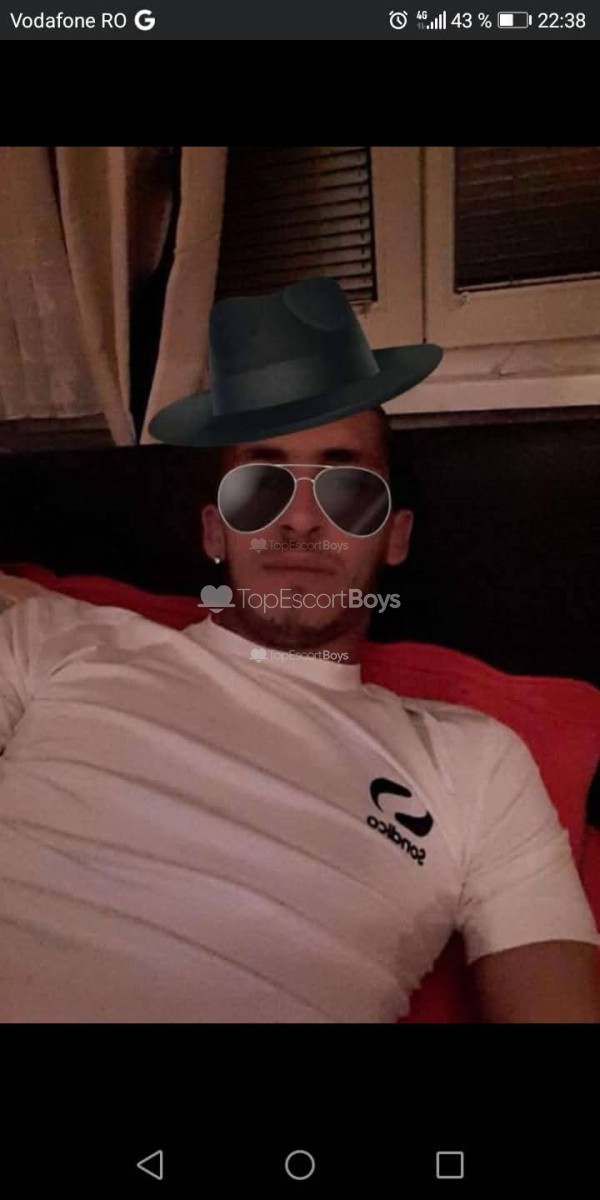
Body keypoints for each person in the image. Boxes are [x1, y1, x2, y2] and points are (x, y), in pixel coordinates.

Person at [1, 278, 599, 1023]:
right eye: (261, 486)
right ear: (215, 531)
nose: (302, 519)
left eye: (346, 487)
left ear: (396, 537)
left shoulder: (477, 765)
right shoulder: (55, 639)